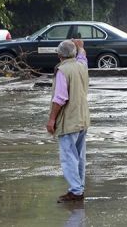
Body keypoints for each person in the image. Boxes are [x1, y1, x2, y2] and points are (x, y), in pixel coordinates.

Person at [46, 39, 90, 203]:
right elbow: (83, 57)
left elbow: (60, 99)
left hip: (69, 121)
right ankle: (78, 188)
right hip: (82, 118)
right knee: (79, 155)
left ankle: (76, 191)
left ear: (59, 55)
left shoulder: (63, 70)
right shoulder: (81, 65)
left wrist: (51, 119)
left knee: (68, 156)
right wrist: (80, 47)